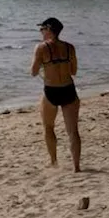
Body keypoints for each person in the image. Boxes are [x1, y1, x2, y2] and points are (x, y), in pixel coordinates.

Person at [30, 17, 81, 172]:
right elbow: (73, 71)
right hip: (68, 90)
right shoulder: (70, 47)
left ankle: (54, 161)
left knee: (48, 127)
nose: (40, 32)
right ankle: (76, 167)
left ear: (49, 30)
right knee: (73, 131)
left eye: (42, 29)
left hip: (51, 90)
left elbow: (33, 72)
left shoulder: (41, 48)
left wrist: (45, 68)